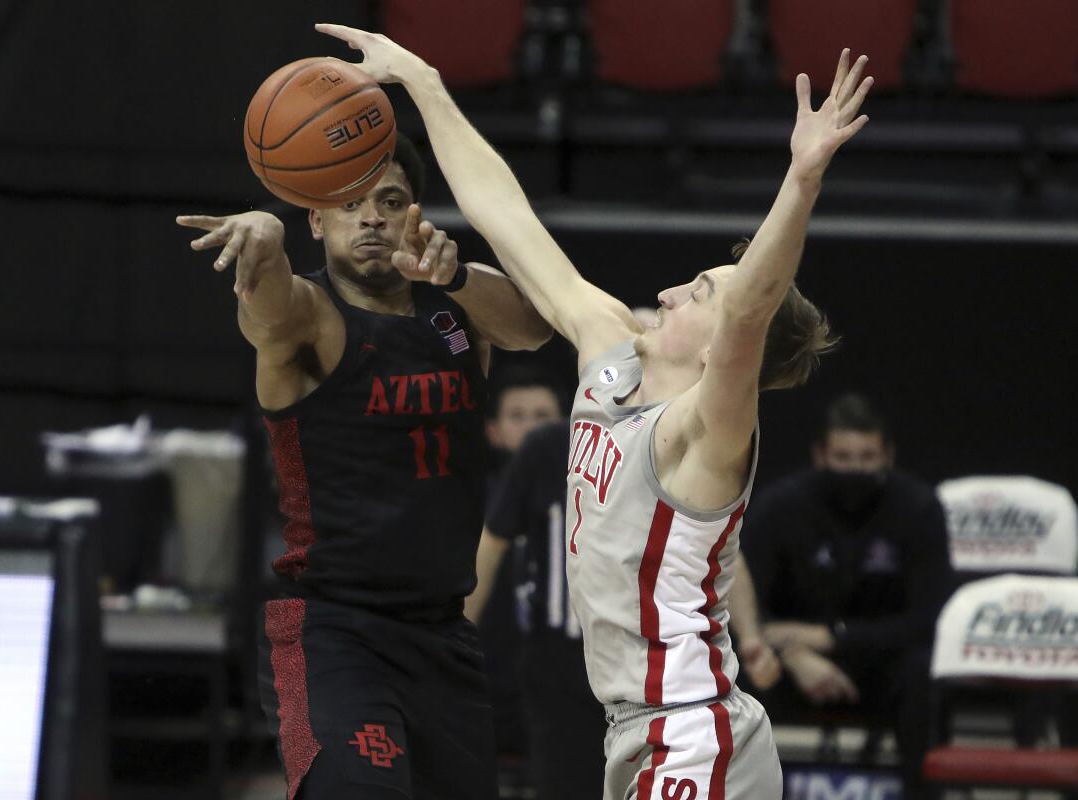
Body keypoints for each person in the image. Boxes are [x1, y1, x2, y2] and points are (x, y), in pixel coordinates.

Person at [317, 23, 870, 798]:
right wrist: (423, 81)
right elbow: (508, 221)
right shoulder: (611, 351)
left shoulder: (701, 436)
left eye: (700, 292)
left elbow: (750, 311)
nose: (675, 290)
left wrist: (802, 181)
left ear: (721, 352)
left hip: (691, 732)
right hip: (636, 727)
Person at [177, 133, 552, 799]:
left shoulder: (454, 310)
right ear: (315, 220)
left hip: (442, 633)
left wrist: (457, 274)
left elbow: (534, 327)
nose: (372, 216)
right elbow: (266, 309)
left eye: (390, 200)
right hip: (335, 629)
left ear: (415, 216)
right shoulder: (310, 314)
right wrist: (264, 235)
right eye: (349, 204)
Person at [468, 417, 782, 800]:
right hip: (561, 665)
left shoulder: (677, 435)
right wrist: (459, 634)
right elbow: (493, 540)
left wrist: (750, 637)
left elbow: (720, 546)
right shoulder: (549, 446)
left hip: (656, 667)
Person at [741, 393, 953, 797]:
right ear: (820, 455)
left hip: (882, 666)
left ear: (888, 456)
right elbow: (744, 608)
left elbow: (929, 619)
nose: (855, 468)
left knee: (922, 673)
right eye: (843, 457)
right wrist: (795, 656)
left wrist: (832, 637)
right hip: (792, 662)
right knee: (737, 671)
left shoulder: (919, 509)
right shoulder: (780, 508)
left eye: (867, 457)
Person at [477, 364, 565, 774]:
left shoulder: (589, 502)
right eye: (517, 416)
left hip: (563, 686)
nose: (532, 429)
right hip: (484, 686)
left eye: (543, 417)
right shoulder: (466, 505)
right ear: (492, 430)